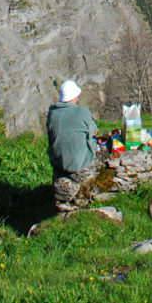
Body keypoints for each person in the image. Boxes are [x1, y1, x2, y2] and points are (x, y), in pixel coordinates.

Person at [46, 79, 100, 212]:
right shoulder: (82, 112)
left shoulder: (52, 114)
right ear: (74, 96)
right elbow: (93, 131)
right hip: (78, 163)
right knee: (98, 148)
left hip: (58, 162)